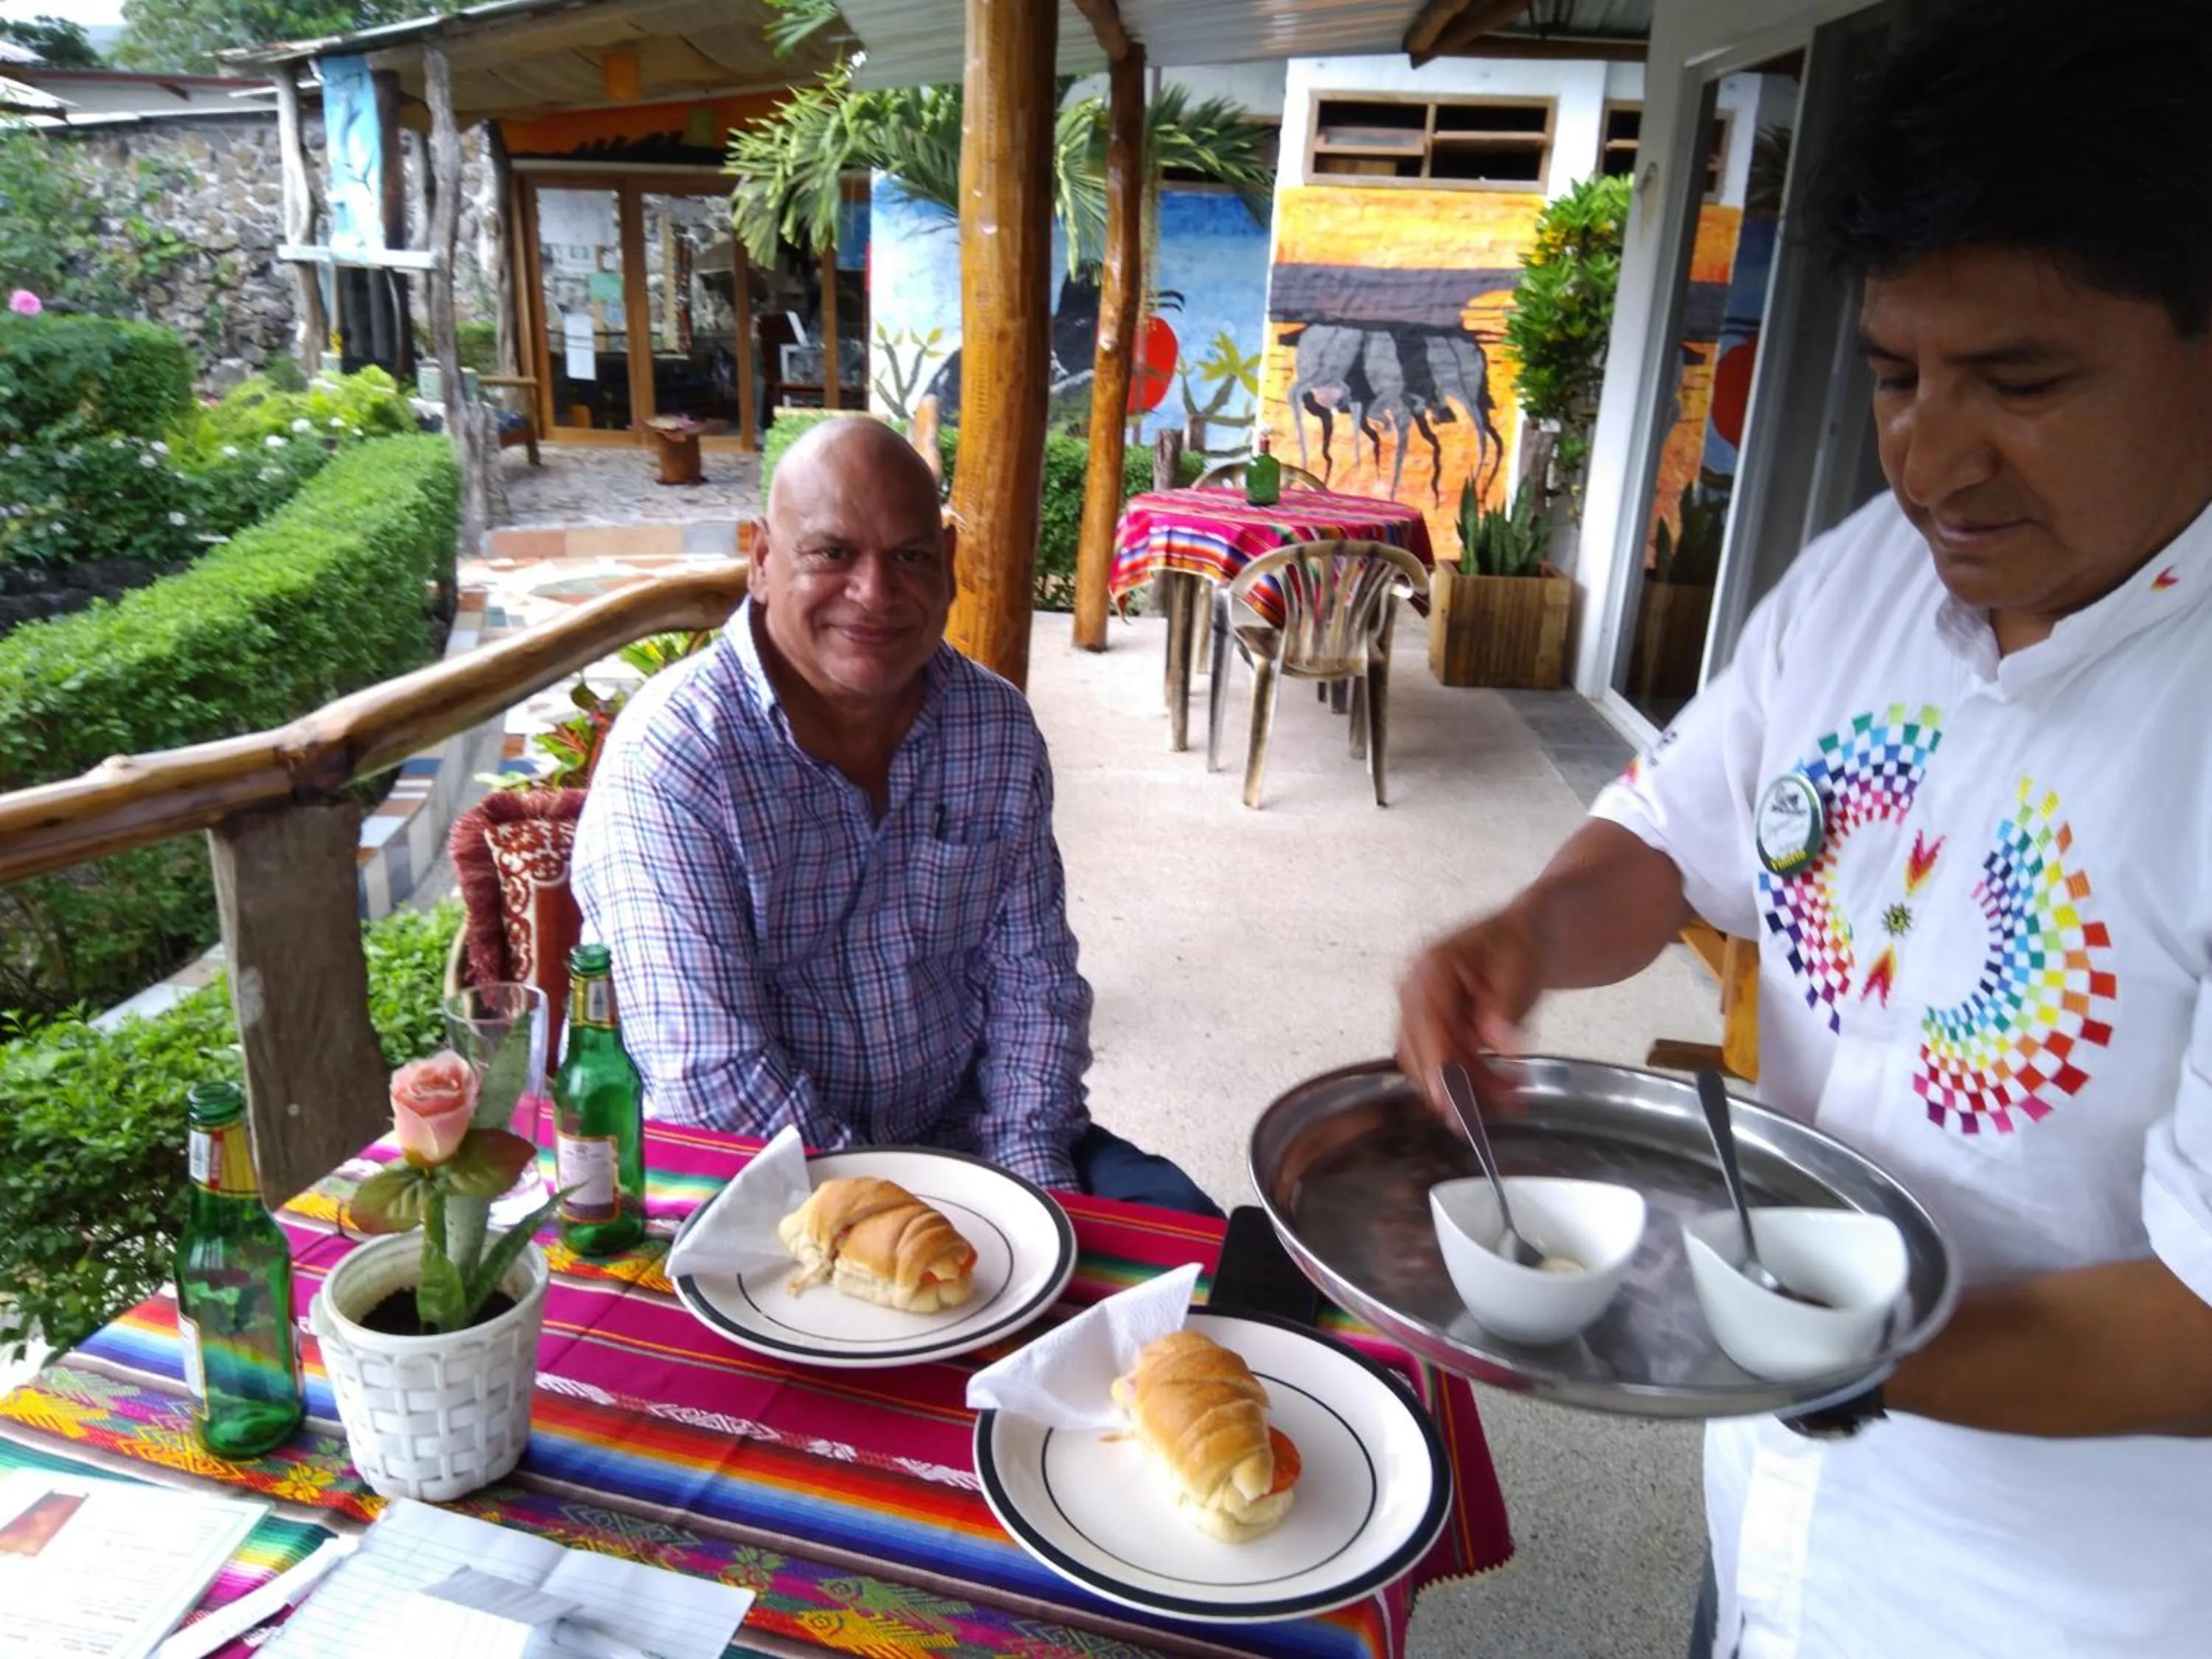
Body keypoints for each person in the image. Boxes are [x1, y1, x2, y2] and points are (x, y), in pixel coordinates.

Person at [1397, 4, 2212, 1654]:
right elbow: (1666, 841)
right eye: (1896, 375)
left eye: (2024, 380)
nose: (1932, 457)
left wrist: (1778, 1339)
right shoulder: (1863, 584)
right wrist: (1530, 934)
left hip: (2044, 1605)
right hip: (1771, 1522)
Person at [573, 415, 1218, 1217]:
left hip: (966, 1143)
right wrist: (912, 1229)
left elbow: (1035, 986)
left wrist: (1031, 1188)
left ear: (947, 567)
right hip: (756, 1187)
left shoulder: (993, 728)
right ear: (764, 560)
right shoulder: (675, 759)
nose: (875, 593)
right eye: (831, 553)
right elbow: (712, 1076)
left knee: (1203, 1254)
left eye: (910, 556)